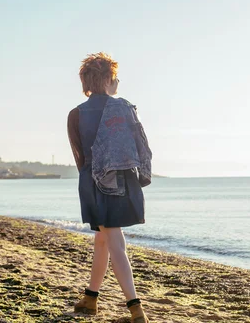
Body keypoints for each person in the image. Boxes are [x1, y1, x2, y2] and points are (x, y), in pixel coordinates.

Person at [67, 52, 151, 323]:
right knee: (105, 239)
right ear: (107, 80)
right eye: (115, 77)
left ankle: (134, 307)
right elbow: (141, 144)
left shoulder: (75, 115)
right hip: (123, 180)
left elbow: (79, 158)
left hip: (93, 181)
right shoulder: (125, 107)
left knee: (110, 239)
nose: (117, 82)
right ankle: (93, 299)